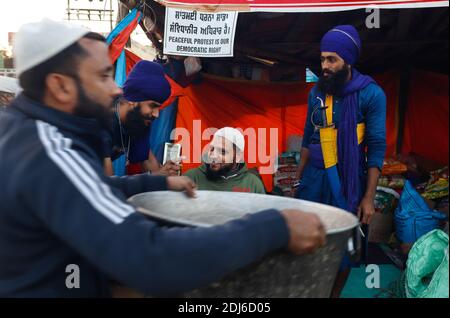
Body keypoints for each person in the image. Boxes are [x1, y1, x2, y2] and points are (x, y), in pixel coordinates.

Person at [0, 19, 326, 297]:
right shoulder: (54, 152)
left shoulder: (27, 131)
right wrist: (273, 226)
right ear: (61, 87)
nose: (116, 90)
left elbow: (95, 190)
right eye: (102, 76)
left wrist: (159, 181)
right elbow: (151, 257)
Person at [295, 25, 386, 226]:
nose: (324, 65)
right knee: (308, 238)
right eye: (322, 59)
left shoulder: (371, 94)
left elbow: (377, 148)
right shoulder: (316, 92)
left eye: (332, 59)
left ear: (348, 62)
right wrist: (299, 177)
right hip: (313, 180)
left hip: (348, 181)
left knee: (342, 243)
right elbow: (308, 135)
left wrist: (368, 197)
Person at [103, 60, 180, 177]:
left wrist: (166, 176)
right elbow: (107, 185)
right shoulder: (102, 116)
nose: (156, 114)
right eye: (153, 106)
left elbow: (148, 162)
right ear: (132, 100)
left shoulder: (137, 121)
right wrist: (155, 178)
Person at [185, 127, 266, 193]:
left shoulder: (253, 184)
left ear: (238, 156)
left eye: (222, 151)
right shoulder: (192, 178)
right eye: (212, 149)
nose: (214, 156)